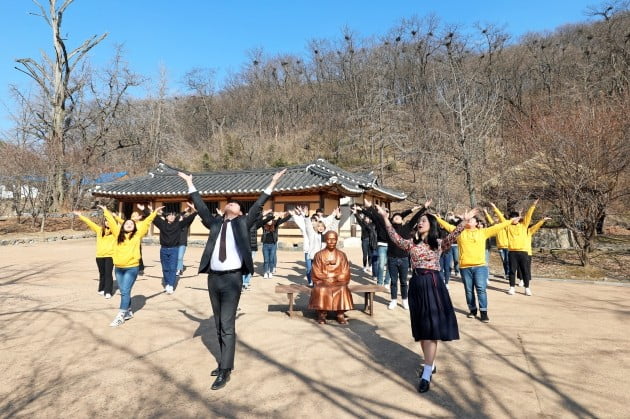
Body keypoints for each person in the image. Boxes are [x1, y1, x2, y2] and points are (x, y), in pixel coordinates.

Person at [178, 168, 286, 391]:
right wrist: (190, 183)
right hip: (214, 278)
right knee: (218, 323)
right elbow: (200, 207)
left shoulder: (242, 224)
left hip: (232, 279)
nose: (232, 204)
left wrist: (273, 182)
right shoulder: (215, 224)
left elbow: (257, 205)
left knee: (227, 324)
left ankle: (225, 369)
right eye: (230, 203)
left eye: (236, 205)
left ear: (239, 213)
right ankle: (223, 362)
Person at [376, 203, 475, 393]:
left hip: (433, 284)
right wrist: (384, 217)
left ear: (431, 225)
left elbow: (454, 235)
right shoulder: (411, 244)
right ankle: (430, 363)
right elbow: (394, 237)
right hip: (417, 285)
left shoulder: (438, 244)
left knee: (431, 328)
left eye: (423, 220)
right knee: (422, 330)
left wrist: (463, 221)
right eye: (419, 221)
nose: (420, 223)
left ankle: (427, 372)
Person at [437, 213, 516, 323]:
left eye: (471, 220)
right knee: (469, 291)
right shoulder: (459, 233)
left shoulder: (483, 232)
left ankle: (483, 312)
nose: (469, 221)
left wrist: (511, 221)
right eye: (467, 220)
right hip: (465, 267)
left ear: (476, 223)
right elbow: (447, 225)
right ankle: (472, 310)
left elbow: (498, 227)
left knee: (480, 289)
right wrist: (435, 217)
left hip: (480, 266)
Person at [362, 199, 431, 310]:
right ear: (392, 220)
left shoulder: (407, 228)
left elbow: (415, 218)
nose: (397, 217)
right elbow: (377, 219)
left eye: (399, 217)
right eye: (394, 217)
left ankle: (404, 300)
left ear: (402, 220)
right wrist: (371, 207)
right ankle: (393, 300)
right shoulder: (389, 229)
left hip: (404, 258)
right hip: (392, 258)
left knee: (403, 281)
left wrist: (424, 207)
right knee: (393, 282)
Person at [101, 204, 160, 327]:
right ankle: (128, 311)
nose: (129, 224)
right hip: (118, 267)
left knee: (125, 291)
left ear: (134, 227)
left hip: (131, 268)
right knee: (124, 291)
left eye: (131, 224)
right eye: (127, 223)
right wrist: (106, 211)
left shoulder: (137, 235)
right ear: (122, 225)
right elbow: (111, 222)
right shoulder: (117, 234)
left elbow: (147, 222)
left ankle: (120, 315)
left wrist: (154, 213)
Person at [308, 231, 354, 324]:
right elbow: (316, 271)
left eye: (334, 239)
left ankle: (340, 314)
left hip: (338, 281)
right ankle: (321, 314)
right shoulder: (319, 255)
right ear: (325, 240)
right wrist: (326, 278)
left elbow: (346, 271)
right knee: (321, 289)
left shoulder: (341, 255)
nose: (331, 241)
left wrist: (335, 278)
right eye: (329, 239)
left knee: (342, 288)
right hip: (323, 281)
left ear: (336, 240)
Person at [153, 203, 197, 294]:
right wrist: (155, 211)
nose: (172, 217)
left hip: (174, 249)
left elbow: (190, 218)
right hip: (164, 249)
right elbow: (152, 217)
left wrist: (193, 209)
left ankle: (171, 285)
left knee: (173, 268)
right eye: (170, 215)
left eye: (173, 215)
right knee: (165, 268)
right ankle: (167, 282)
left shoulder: (178, 224)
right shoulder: (161, 224)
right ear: (166, 217)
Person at [290, 206, 340, 287]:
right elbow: (308, 226)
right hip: (314, 257)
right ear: (316, 227)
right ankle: (314, 285)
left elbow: (333, 227)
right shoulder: (312, 234)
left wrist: (337, 218)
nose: (320, 228)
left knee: (325, 274)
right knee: (315, 273)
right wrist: (306, 216)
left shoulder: (326, 235)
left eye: (322, 227)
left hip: (324, 258)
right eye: (319, 226)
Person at [73, 210, 116, 299]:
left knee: (108, 273)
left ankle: (108, 291)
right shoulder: (99, 230)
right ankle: (101, 289)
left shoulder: (115, 233)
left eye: (109, 221)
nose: (108, 223)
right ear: (104, 222)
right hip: (99, 256)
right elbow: (89, 222)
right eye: (106, 221)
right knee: (102, 273)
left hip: (110, 256)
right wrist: (80, 216)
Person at [506, 199, 539, 296]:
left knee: (525, 270)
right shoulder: (508, 227)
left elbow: (528, 216)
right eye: (511, 218)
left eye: (515, 218)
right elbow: (501, 219)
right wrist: (495, 208)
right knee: (512, 270)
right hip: (512, 252)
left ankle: (527, 288)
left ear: (518, 218)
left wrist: (533, 206)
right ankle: (512, 288)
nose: (513, 219)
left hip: (523, 252)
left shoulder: (523, 225)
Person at [243, 209, 273, 290]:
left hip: (253, 248)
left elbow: (263, 221)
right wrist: (262, 214)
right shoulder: (244, 224)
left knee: (250, 266)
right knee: (245, 265)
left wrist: (271, 216)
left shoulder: (255, 225)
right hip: (245, 248)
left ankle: (246, 282)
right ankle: (242, 283)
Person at [261, 211, 291, 278]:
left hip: (273, 245)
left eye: (270, 220)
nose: (269, 221)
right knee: (266, 260)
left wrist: (289, 215)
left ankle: (271, 272)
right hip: (265, 245)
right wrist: (263, 215)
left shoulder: (275, 225)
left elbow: (282, 220)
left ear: (272, 220)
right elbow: (259, 220)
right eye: (268, 220)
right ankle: (266, 272)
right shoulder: (264, 225)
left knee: (271, 259)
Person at [352, 206, 379, 281]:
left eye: (368, 218)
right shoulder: (363, 224)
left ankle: (370, 266)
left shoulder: (373, 225)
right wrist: (355, 213)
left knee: (370, 254)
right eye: (366, 218)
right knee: (365, 254)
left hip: (371, 241)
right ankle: (364, 266)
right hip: (364, 240)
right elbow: (359, 220)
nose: (367, 219)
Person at [486, 204, 511, 280]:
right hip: (500, 246)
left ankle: (510, 273)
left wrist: (495, 208)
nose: (496, 218)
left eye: (497, 217)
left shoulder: (506, 224)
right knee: (504, 261)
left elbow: (501, 217)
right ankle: (507, 273)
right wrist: (486, 213)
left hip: (508, 246)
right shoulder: (496, 226)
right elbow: (490, 221)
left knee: (508, 260)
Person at [177, 206, 197, 276]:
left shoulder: (186, 224)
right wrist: (184, 211)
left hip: (182, 243)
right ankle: (178, 267)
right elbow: (178, 216)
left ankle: (179, 270)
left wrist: (192, 207)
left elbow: (194, 214)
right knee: (176, 257)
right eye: (182, 216)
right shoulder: (176, 224)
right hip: (175, 243)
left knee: (180, 257)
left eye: (184, 216)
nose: (182, 217)